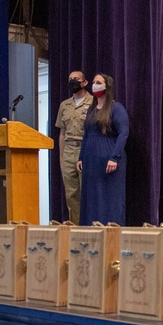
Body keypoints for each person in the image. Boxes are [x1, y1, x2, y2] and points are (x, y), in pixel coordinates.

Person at [77, 73, 129, 225]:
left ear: (107, 86)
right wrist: (81, 157)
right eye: (93, 82)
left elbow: (124, 133)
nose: (94, 85)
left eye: (98, 82)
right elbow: (86, 134)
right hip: (91, 160)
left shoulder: (116, 108)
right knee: (92, 198)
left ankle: (111, 235)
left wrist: (115, 157)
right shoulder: (91, 110)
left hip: (109, 159)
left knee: (110, 198)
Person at [55, 70, 93, 224]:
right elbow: (62, 133)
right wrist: (61, 156)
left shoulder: (93, 102)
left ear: (84, 83)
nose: (72, 82)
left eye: (76, 79)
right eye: (70, 79)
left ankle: (92, 226)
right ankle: (77, 228)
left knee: (87, 192)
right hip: (69, 150)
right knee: (71, 194)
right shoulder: (65, 105)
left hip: (86, 149)